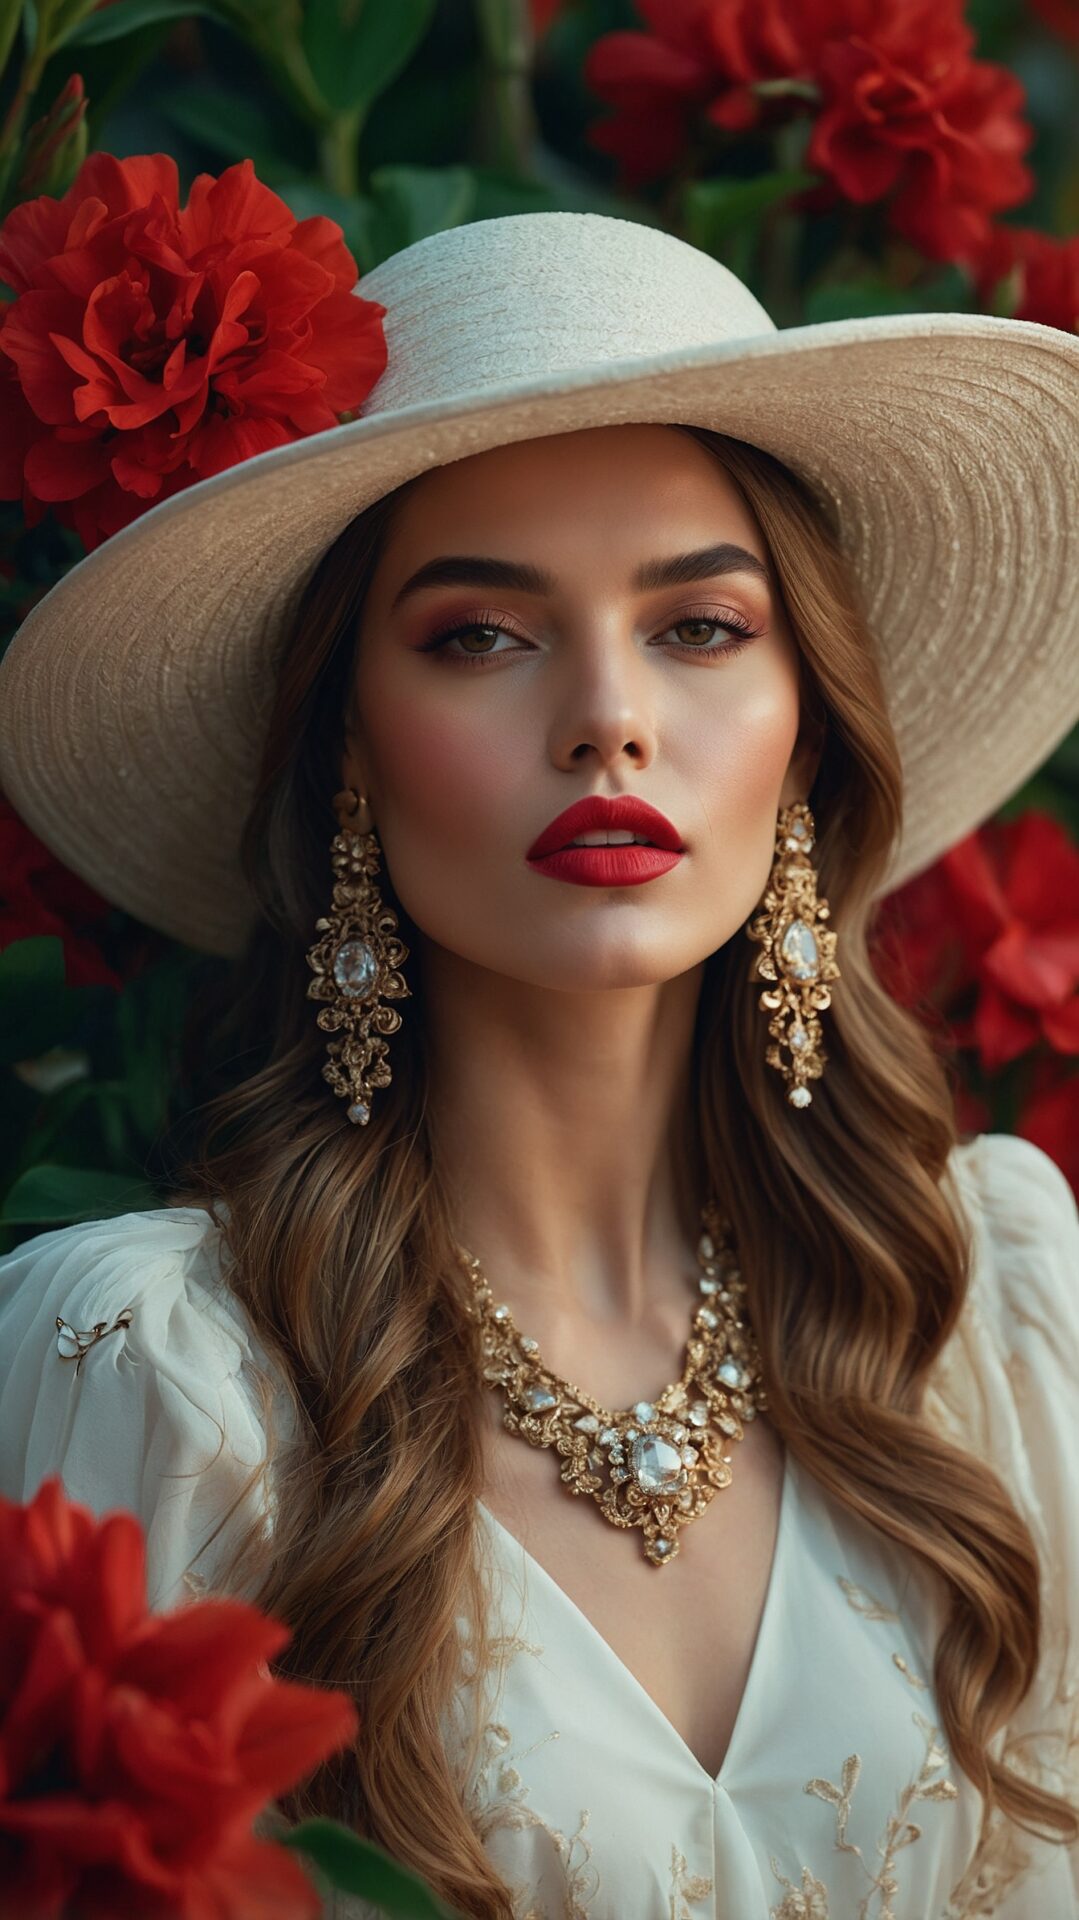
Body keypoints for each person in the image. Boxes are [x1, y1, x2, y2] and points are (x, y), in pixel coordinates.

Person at [0, 211, 1077, 1920]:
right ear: (346, 749)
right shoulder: (160, 1372)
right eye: (479, 637)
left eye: (702, 627)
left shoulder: (990, 1308)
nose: (606, 718)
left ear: (810, 729)